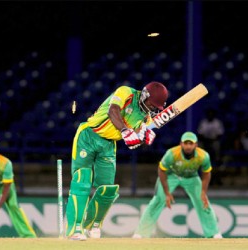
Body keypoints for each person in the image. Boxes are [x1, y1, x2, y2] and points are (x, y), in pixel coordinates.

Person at [65, 82, 169, 240]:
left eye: (157, 107)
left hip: (108, 145)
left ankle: (93, 225)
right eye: (152, 105)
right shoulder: (126, 92)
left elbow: (135, 138)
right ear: (145, 96)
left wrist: (143, 138)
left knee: (107, 189)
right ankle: (75, 229)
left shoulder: (146, 117)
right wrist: (126, 131)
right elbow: (112, 110)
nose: (153, 109)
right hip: (88, 135)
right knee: (82, 179)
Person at [132, 132, 222, 238]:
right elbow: (161, 171)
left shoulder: (203, 156)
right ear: (181, 144)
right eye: (186, 143)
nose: (188, 146)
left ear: (196, 145)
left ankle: (213, 234)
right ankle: (141, 234)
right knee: (157, 200)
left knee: (203, 201)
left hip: (191, 177)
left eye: (191, 143)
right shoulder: (172, 153)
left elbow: (206, 173)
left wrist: (203, 192)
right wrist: (166, 193)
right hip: (171, 176)